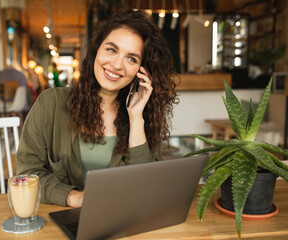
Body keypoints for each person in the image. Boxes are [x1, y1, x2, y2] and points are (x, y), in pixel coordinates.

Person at [16, 9, 178, 208]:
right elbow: (28, 174)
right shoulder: (50, 104)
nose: (117, 65)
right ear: (96, 50)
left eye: (131, 59)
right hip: (60, 220)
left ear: (141, 70)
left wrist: (136, 118)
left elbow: (146, 186)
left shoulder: (143, 114)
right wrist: (75, 197)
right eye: (111, 50)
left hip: (122, 220)